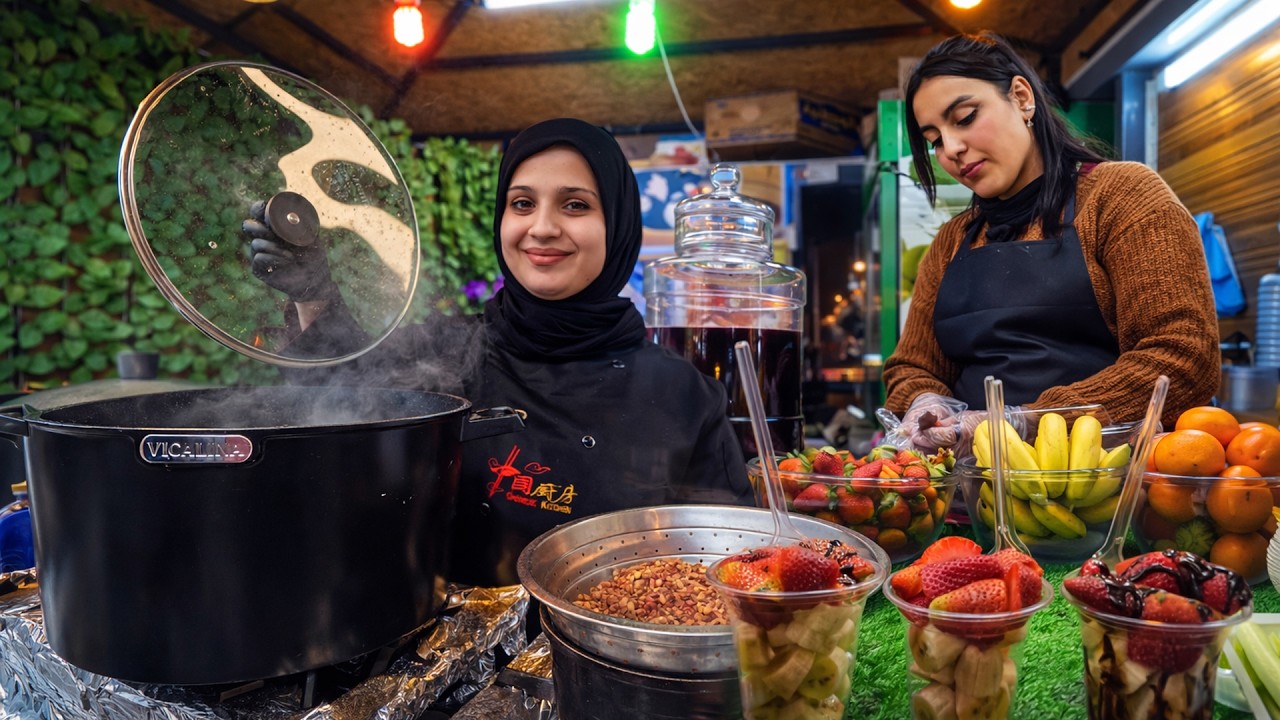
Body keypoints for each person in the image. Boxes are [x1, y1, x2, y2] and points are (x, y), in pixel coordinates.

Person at [244, 118, 754, 587]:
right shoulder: (443, 351)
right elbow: (338, 397)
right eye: (522, 203)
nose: (543, 227)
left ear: (617, 225)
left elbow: (730, 568)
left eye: (575, 204)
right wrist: (313, 294)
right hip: (441, 672)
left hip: (615, 665)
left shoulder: (685, 398)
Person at [882, 32, 1219, 453]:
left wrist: (1025, 422)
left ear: (1022, 97)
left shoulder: (1122, 197)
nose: (951, 149)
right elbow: (911, 366)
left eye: (965, 117)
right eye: (934, 139)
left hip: (1109, 494)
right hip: (972, 492)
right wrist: (923, 402)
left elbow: (1184, 356)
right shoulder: (952, 241)